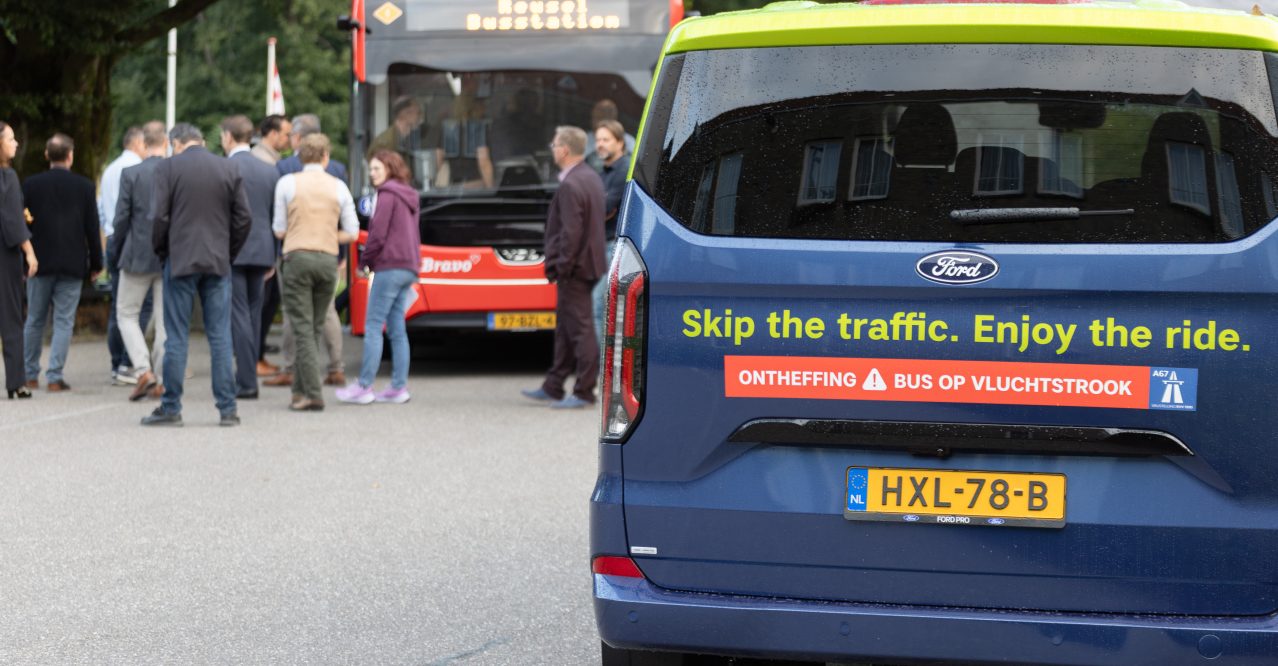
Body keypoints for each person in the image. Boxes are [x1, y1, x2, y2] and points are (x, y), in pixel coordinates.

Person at [143, 123, 251, 427]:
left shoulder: (167, 168)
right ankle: (227, 409)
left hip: (180, 260)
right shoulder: (227, 167)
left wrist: (163, 252)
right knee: (220, 336)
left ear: (175, 143)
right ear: (201, 141)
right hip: (217, 260)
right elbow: (244, 218)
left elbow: (159, 217)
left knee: (177, 336)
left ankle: (171, 407)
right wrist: (228, 252)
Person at [520, 126, 606, 409]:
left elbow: (571, 232)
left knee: (580, 329)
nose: (552, 148)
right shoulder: (590, 176)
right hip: (587, 264)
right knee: (566, 327)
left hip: (575, 268)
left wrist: (562, 266)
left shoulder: (571, 184)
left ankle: (584, 391)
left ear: (565, 150)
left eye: (555, 144)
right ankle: (554, 385)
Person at [273, 133, 358, 411]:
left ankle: (312, 394)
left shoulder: (287, 183)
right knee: (315, 325)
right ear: (326, 157)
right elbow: (352, 231)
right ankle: (299, 391)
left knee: (302, 327)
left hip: (297, 258)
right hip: (327, 259)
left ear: (300, 157)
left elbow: (279, 230)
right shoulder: (339, 186)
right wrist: (329, 235)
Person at [336, 150, 420, 405]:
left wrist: (364, 264)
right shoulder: (409, 195)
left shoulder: (385, 194)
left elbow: (377, 235)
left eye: (377, 169)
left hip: (389, 266)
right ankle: (398, 388)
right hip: (408, 267)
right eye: (371, 169)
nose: (372, 174)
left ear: (390, 169)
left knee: (373, 325)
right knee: (397, 329)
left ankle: (364, 387)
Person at [22, 133, 103, 392]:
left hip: (39, 262)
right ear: (70, 156)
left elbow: (22, 224)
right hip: (72, 262)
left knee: (34, 319)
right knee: (64, 321)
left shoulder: (31, 185)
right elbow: (92, 228)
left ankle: (29, 374)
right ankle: (55, 376)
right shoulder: (85, 187)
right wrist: (96, 263)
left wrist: (24, 259)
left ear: (47, 155)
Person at [221, 115, 280, 401]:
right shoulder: (270, 171)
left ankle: (246, 381)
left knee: (239, 314)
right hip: (263, 250)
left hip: (232, 250)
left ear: (228, 137)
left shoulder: (224, 168)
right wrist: (274, 255)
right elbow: (275, 216)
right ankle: (249, 372)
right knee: (253, 314)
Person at [109, 121, 169, 402]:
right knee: (165, 320)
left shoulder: (131, 173)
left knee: (126, 313)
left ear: (143, 144)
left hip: (136, 254)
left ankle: (143, 370)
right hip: (168, 254)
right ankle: (162, 378)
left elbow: (121, 219)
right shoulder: (175, 172)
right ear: (165, 143)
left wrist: (116, 250)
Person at [99, 125, 146, 384]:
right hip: (131, 241)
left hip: (112, 238)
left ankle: (116, 362)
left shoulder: (109, 170)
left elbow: (102, 211)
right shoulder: (137, 169)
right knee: (137, 307)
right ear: (138, 143)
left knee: (119, 305)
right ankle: (129, 362)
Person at [0, 121, 37, 400]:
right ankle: (16, 381)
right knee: (11, 316)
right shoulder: (8, 177)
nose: (16, 143)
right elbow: (13, 219)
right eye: (10, 139)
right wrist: (29, 251)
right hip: (5, 255)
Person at [591, 119, 630, 341]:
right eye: (598, 140)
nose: (600, 144)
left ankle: (601, 363)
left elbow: (604, 208)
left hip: (614, 247)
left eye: (606, 139)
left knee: (598, 306)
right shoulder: (604, 172)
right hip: (602, 246)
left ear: (620, 142)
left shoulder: (623, 169)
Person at [367, 96, 423, 163]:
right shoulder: (385, 143)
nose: (420, 116)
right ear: (406, 113)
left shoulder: (405, 136)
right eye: (418, 112)